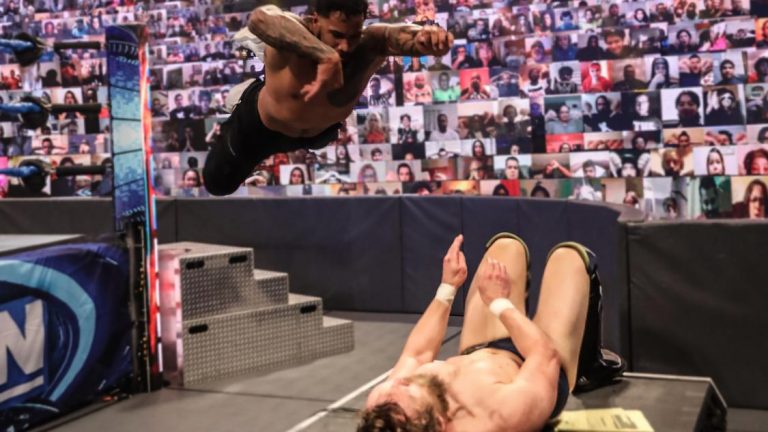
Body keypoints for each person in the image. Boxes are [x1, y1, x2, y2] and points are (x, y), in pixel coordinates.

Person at [359, 234, 624, 431]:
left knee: (506, 246)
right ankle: (589, 364)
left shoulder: (384, 408)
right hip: (535, 362)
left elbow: (416, 355)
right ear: (440, 422)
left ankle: (513, 298)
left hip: (480, 350)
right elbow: (545, 356)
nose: (399, 381)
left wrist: (448, 287)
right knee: (571, 257)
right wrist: (500, 303)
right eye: (408, 385)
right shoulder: (498, 416)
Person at [203, 1, 453, 196]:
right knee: (218, 183)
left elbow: (400, 35)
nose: (345, 46)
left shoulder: (369, 44)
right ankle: (242, 97)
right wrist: (324, 55)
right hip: (260, 129)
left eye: (353, 36)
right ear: (315, 21)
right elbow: (260, 19)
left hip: (319, 133)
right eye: (336, 35)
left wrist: (429, 37)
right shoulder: (291, 35)